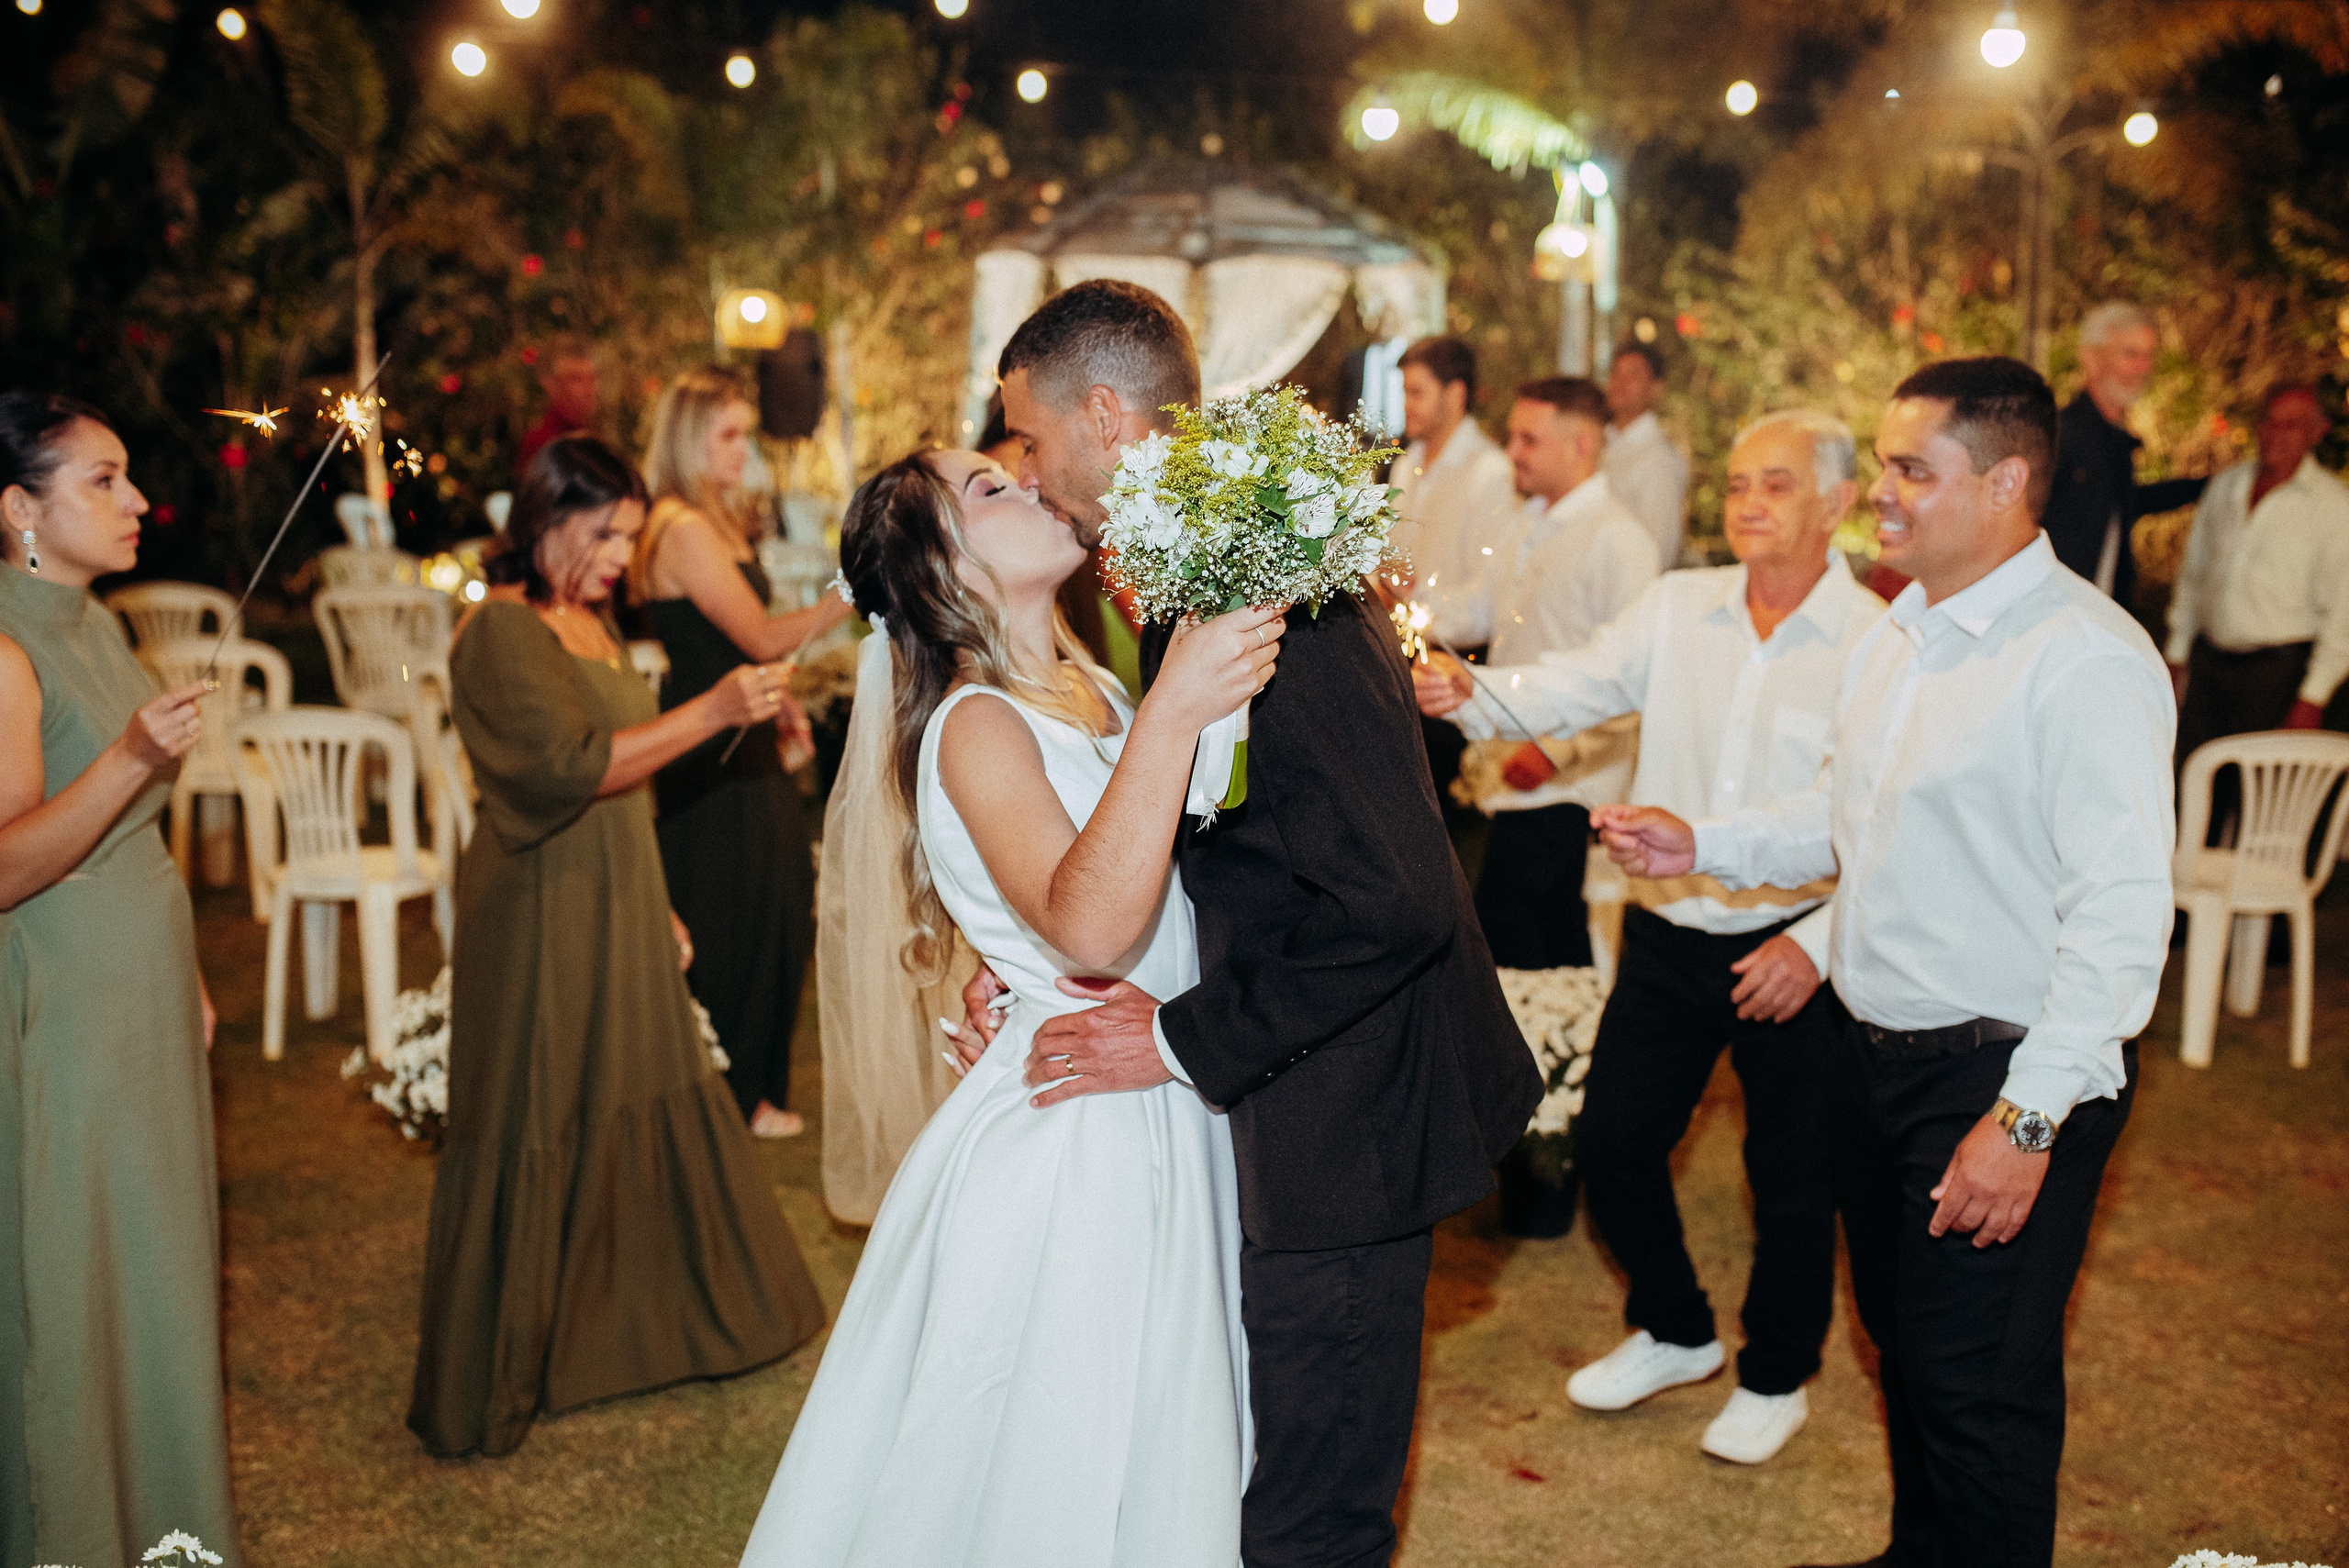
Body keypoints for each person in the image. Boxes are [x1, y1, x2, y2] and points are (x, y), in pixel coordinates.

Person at [971, 278, 1542, 1568]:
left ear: (1106, 416)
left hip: (1352, 1113)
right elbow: (1253, 844)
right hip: (1315, 1093)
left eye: (1035, 439)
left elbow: (1389, 893)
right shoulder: (1211, 558)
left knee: (1310, 1512)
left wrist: (1179, 1040)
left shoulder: (1256, 572)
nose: (1034, 471)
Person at [1596, 358, 2174, 1568]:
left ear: (2008, 481)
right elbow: (1842, 817)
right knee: (1903, 1345)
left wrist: (2027, 1122)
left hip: (2000, 1073)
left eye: (1914, 468)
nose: (1883, 494)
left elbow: (2120, 917)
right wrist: (1705, 841)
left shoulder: (2085, 657)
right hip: (1870, 1062)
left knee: (1980, 1384)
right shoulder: (1898, 630)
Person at [739, 449, 1286, 1565]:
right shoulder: (976, 723)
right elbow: (1087, 926)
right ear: (942, 567)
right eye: (989, 488)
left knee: (1153, 1425)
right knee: (1055, 1446)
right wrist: (1178, 711)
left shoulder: (1098, 689)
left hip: (1159, 1084)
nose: (1033, 486)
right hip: (1077, 1137)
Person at [1419, 407, 1882, 1466]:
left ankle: (1775, 1374)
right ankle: (1675, 1326)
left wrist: (1811, 936)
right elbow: (1577, 679)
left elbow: (1864, 817)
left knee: (1791, 1177)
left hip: (1797, 945)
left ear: (1837, 503)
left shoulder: (1874, 642)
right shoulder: (1681, 605)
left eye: (1775, 483)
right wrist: (1471, 692)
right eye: (1737, 483)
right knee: (1615, 1143)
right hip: (1671, 932)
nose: (1748, 501)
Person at [409, 433, 824, 1460]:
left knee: (637, 1085)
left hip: (619, 886)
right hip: (542, 899)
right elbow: (566, 768)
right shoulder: (498, 632)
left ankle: (634, 1331)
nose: (619, 559)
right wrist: (713, 708)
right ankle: (511, 1356)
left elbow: (626, 780)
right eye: (605, 536)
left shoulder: (587, 623)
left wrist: (661, 899)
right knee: (542, 1098)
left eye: (632, 538)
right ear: (546, 520)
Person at [0, 394, 236, 1568]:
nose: (138, 500)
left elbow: (139, 832)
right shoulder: (5, 647)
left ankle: (168, 1528)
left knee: (160, 1272)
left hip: (143, 994)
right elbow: (6, 862)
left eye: (128, 477)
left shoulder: (99, 625)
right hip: (68, 1009)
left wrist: (186, 972)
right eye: (103, 480)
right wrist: (135, 757)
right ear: (19, 510)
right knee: (80, 1275)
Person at [629, 366, 847, 1138]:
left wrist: (778, 699)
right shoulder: (681, 527)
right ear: (690, 440)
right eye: (727, 433)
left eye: (743, 433)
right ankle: (734, 1091)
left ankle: (751, 1087)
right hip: (707, 740)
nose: (741, 448)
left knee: (779, 897)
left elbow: (740, 645)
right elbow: (756, 634)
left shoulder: (712, 520)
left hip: (740, 725)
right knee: (736, 909)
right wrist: (848, 593)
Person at [1467, 376, 1658, 971]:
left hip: (1570, 784)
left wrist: (1557, 749)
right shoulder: (1525, 522)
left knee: (1519, 939)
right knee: (1535, 940)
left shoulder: (1620, 539)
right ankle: (1553, 1057)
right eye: (1512, 437)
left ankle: (1552, 1057)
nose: (1513, 452)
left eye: (1530, 438)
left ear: (1581, 445)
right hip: (1509, 767)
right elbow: (1478, 608)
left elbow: (1636, 674)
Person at [2166, 384, 2349, 761]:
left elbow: (2343, 613)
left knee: (2255, 798)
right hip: (2208, 667)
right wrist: (2176, 652)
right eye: (2268, 421)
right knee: (2187, 778)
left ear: (2317, 431)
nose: (2275, 433)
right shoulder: (2226, 485)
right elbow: (2195, 573)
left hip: (2276, 677)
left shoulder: (2333, 507)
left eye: (2292, 424)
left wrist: (2313, 697)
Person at [2043, 302, 2207, 604]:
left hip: (2097, 617)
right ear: (2091, 359)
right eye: (2130, 354)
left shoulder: (2112, 440)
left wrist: (2204, 486)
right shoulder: (2060, 435)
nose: (2143, 367)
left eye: (2148, 356)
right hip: (2056, 616)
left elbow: (2121, 504)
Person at [1386, 335, 1520, 651]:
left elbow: (1489, 598)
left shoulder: (1490, 472)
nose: (1406, 405)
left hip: (1455, 656)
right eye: (1404, 392)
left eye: (1416, 393)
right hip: (1398, 641)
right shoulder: (1407, 464)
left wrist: (1414, 602)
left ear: (1456, 394)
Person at [1602, 340, 1692, 568]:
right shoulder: (1601, 444)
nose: (1619, 383)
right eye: (1615, 374)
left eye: (1632, 376)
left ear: (1656, 389)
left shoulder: (1658, 460)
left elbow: (1658, 552)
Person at [518, 334, 600, 477]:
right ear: (552, 385)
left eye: (592, 379)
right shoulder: (543, 444)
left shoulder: (590, 435)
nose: (590, 389)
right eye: (577, 379)